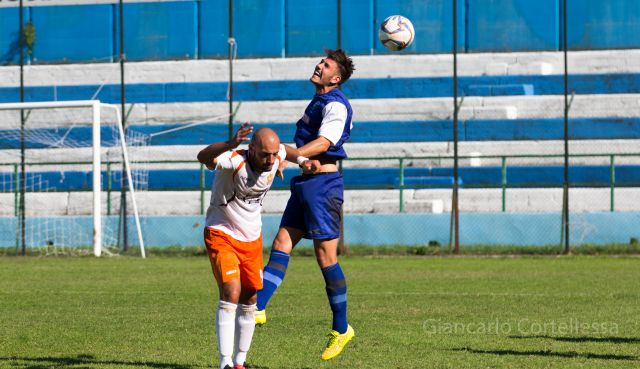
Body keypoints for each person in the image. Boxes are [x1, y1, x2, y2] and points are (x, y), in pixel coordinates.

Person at [255, 48, 356, 361]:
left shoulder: (336, 104)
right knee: (282, 241)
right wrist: (285, 154)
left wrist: (290, 154)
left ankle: (341, 329)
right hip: (307, 184)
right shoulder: (319, 100)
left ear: (336, 78)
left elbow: (325, 144)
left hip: (324, 186)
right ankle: (257, 306)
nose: (319, 65)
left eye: (325, 65)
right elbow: (303, 148)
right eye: (320, 62)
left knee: (326, 258)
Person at [198, 124, 298, 369]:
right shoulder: (234, 161)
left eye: (274, 154)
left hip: (252, 239)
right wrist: (230, 143)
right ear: (251, 149)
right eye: (265, 154)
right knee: (231, 291)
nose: (271, 159)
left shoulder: (274, 157)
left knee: (251, 296)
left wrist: (303, 159)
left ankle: (241, 362)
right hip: (221, 233)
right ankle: (225, 363)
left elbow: (285, 151)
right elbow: (203, 157)